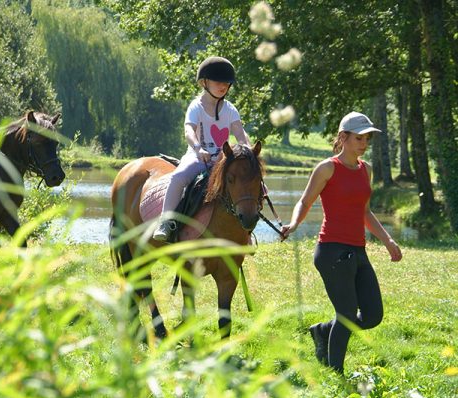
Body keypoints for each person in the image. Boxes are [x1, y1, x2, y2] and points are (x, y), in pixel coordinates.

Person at [281, 111, 403, 374]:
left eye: (367, 139)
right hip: (331, 251)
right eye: (359, 138)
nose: (364, 144)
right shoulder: (327, 168)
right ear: (343, 137)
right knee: (347, 314)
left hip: (358, 250)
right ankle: (336, 375)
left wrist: (388, 240)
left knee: (372, 316)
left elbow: (365, 211)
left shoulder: (365, 169)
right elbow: (305, 201)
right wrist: (294, 224)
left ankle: (324, 330)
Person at [152, 56, 251, 241]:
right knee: (178, 177)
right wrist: (198, 148)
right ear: (204, 82)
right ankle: (165, 222)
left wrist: (248, 149)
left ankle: (247, 230)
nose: (223, 86)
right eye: (218, 81)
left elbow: (240, 132)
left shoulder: (230, 109)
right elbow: (189, 130)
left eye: (227, 82)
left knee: (250, 181)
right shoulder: (196, 106)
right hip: (198, 156)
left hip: (222, 160)